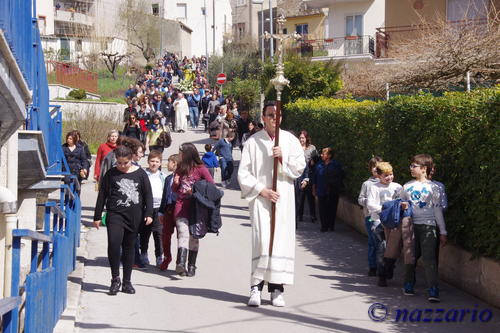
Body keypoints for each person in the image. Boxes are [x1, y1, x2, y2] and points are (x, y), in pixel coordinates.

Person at [237, 101, 305, 307]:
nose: (274, 118)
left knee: (280, 242)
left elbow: (299, 167)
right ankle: (255, 287)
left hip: (283, 197)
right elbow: (243, 173)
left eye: (277, 115)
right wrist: (262, 190)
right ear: (263, 118)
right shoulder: (253, 142)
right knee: (262, 240)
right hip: (261, 199)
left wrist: (283, 157)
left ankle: (277, 288)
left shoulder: (290, 141)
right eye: (270, 115)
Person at [93, 145, 153, 295]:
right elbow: (102, 195)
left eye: (125, 163)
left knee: (129, 247)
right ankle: (115, 279)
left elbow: (148, 195)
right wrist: (97, 216)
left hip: (134, 216)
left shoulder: (141, 174)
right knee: (113, 244)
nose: (122, 166)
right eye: (119, 163)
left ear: (131, 159)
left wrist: (149, 213)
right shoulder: (111, 174)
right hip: (115, 214)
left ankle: (127, 282)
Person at [400, 154, 447, 302]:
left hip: (429, 226)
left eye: (414, 166)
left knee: (429, 258)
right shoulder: (406, 186)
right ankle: (408, 283)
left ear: (424, 168)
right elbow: (401, 206)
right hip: (411, 226)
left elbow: (438, 210)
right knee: (410, 256)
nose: (411, 168)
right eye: (411, 165)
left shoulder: (435, 187)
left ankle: (433, 289)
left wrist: (443, 231)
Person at [172, 143, 214, 277]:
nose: (179, 155)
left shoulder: (201, 169)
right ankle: (181, 263)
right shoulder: (180, 168)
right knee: (183, 233)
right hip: (181, 205)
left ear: (188, 154)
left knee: (194, 237)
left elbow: (211, 187)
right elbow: (174, 189)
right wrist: (176, 183)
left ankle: (191, 265)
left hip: (196, 207)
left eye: (181, 153)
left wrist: (196, 190)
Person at [366, 162, 402, 288]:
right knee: (383, 247)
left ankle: (389, 267)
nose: (389, 178)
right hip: (379, 222)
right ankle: (382, 275)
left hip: (394, 223)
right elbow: (371, 204)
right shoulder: (374, 187)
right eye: (386, 175)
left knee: (393, 248)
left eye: (391, 174)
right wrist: (386, 209)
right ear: (379, 176)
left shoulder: (397, 187)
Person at [358, 156, 383, 277]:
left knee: (382, 243)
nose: (376, 169)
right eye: (373, 167)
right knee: (373, 242)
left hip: (383, 217)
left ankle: (381, 265)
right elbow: (360, 199)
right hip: (370, 216)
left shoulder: (386, 182)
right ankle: (373, 266)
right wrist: (369, 201)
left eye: (378, 166)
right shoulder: (367, 184)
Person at [141, 150, 166, 267]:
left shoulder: (163, 177)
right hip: (146, 208)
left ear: (160, 163)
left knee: (158, 234)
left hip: (159, 208)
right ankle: (144, 254)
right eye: (152, 161)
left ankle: (159, 256)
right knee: (145, 233)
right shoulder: (143, 175)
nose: (154, 164)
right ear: (148, 162)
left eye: (157, 161)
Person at [312, 147, 344, 232]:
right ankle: (324, 226)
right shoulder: (319, 165)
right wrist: (314, 188)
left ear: (329, 155)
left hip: (333, 190)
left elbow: (340, 177)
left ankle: (331, 225)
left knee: (332, 208)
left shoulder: (336, 165)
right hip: (321, 190)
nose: (321, 155)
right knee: (322, 209)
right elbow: (314, 177)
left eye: (324, 153)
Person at [158, 154, 179, 271]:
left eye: (169, 162)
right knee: (165, 235)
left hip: (180, 209)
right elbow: (164, 197)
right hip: (168, 209)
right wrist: (161, 212)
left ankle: (180, 261)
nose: (167, 165)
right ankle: (167, 257)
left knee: (180, 237)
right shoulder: (168, 178)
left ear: (175, 163)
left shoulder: (183, 178)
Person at [296, 131, 318, 223]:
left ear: (306, 138)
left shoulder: (312, 148)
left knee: (310, 197)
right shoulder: (296, 147)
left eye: (303, 138)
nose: (301, 140)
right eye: (300, 138)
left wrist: (313, 161)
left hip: (310, 173)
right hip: (299, 174)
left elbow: (316, 158)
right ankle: (299, 215)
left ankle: (313, 216)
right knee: (300, 197)